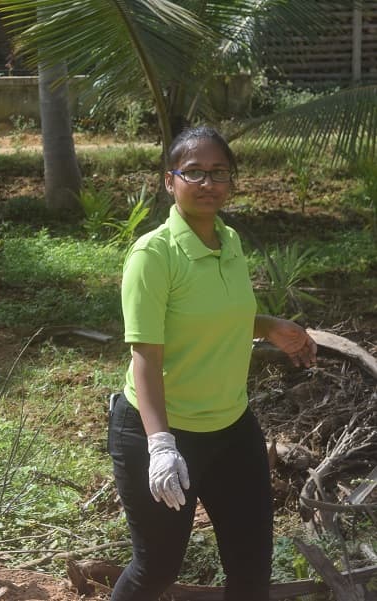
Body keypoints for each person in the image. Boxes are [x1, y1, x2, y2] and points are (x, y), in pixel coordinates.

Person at [107, 125, 317, 600]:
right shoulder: (153, 255)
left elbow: (213, 315)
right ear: (170, 181)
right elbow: (145, 355)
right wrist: (161, 445)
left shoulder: (230, 241)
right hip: (159, 430)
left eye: (219, 172)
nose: (208, 183)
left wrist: (267, 325)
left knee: (251, 569)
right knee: (156, 569)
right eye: (194, 172)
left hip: (231, 428)